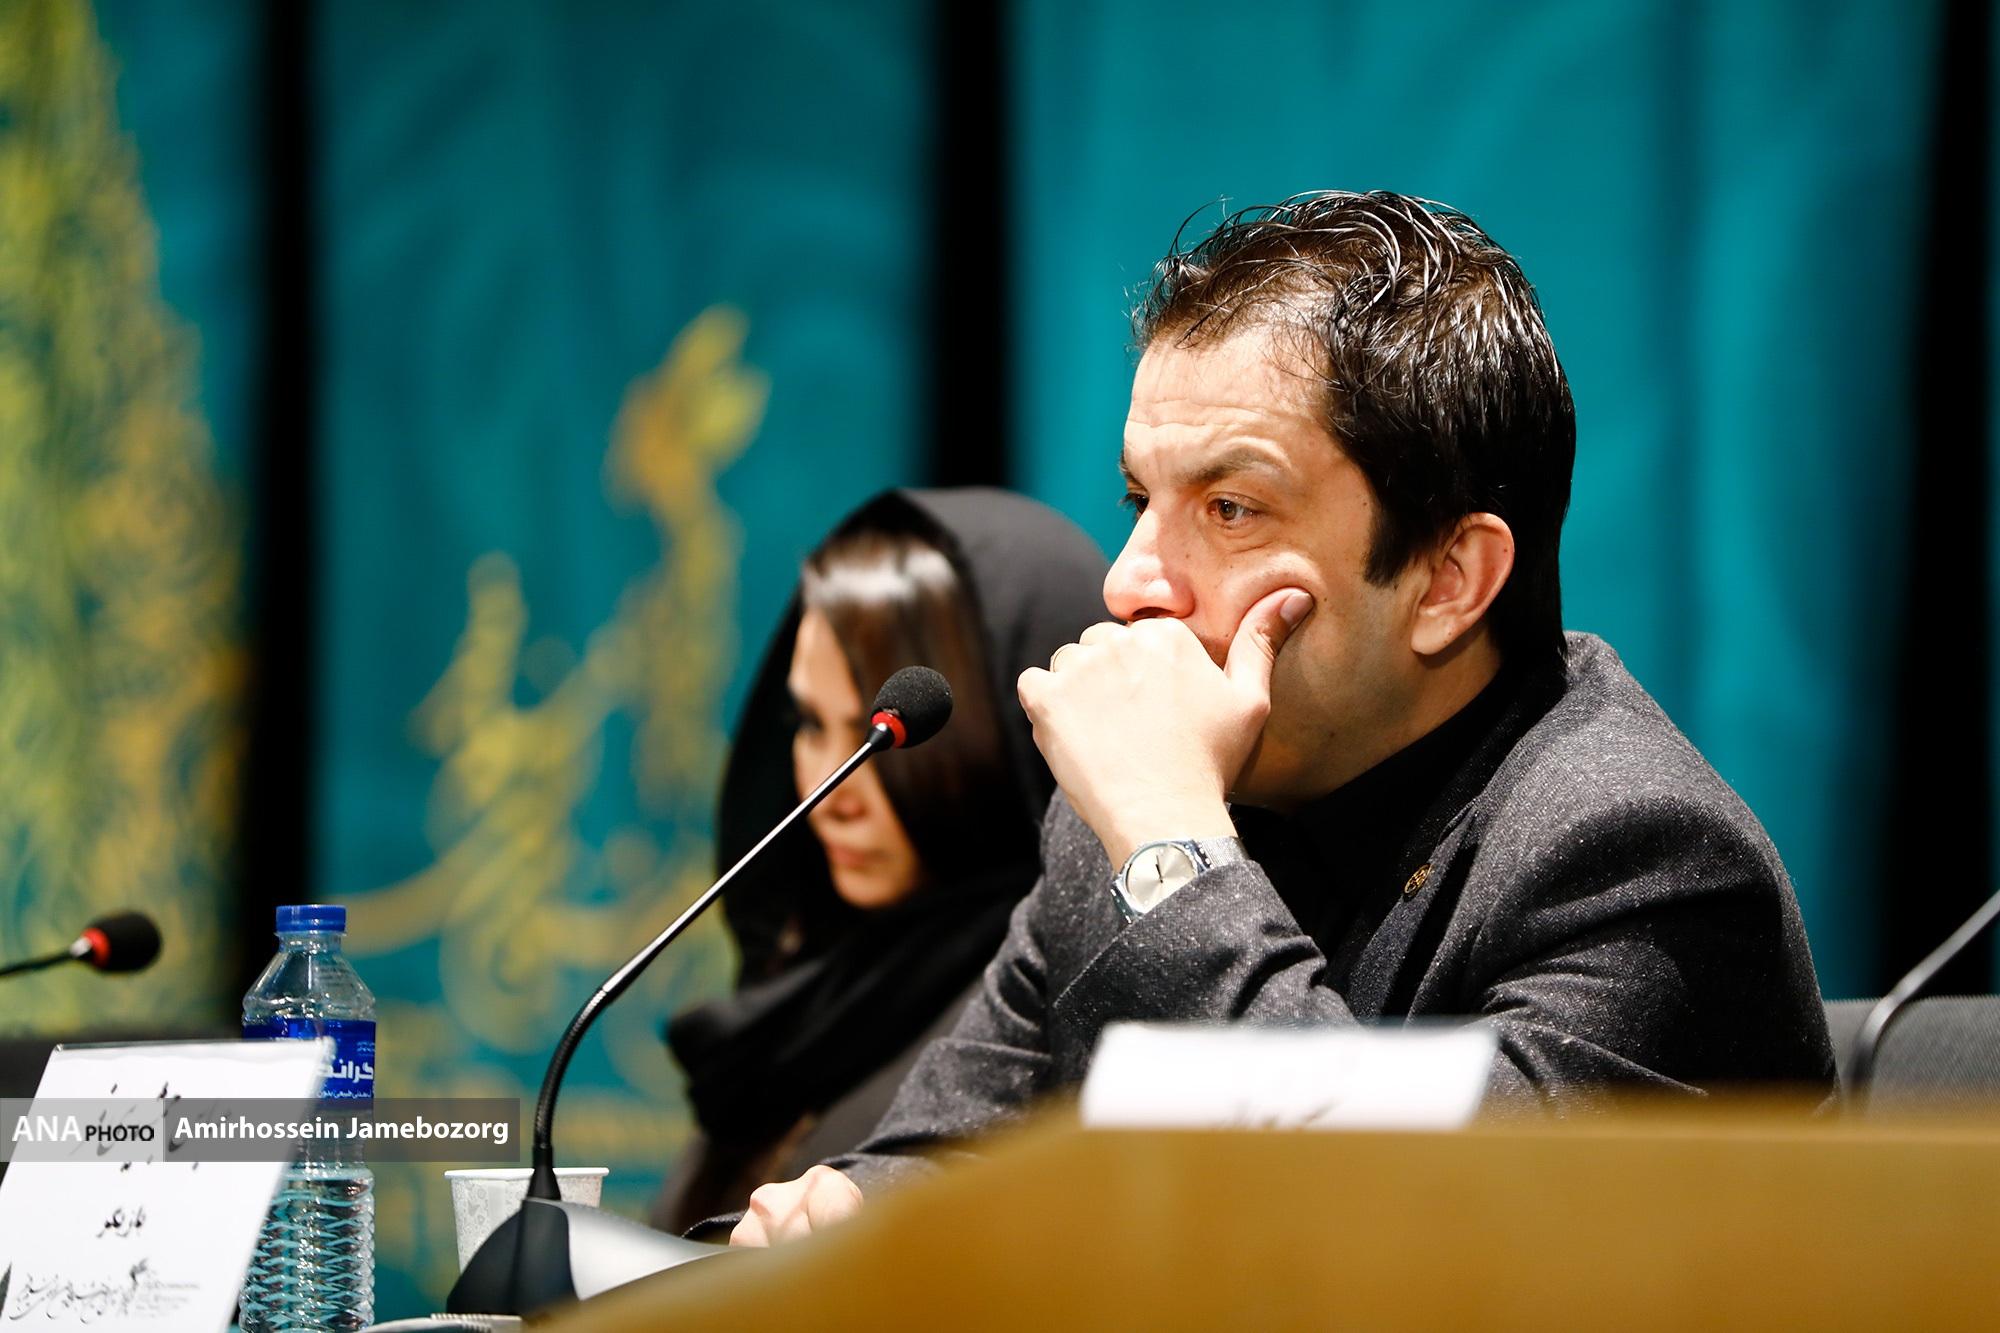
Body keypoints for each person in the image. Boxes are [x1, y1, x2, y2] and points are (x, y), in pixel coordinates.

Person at [727, 191, 1836, 1246]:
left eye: (1230, 508)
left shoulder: (1638, 863)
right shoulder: (1126, 818)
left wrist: (1171, 851)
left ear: (1448, 580)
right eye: (1139, 499)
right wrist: (849, 1219)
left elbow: (1388, 1250)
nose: (1128, 582)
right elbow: (947, 1156)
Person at [653, 487, 1108, 1232]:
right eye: (810, 724)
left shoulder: (1046, 1022)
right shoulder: (800, 1003)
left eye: (889, 737)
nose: (832, 792)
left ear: (1014, 735)